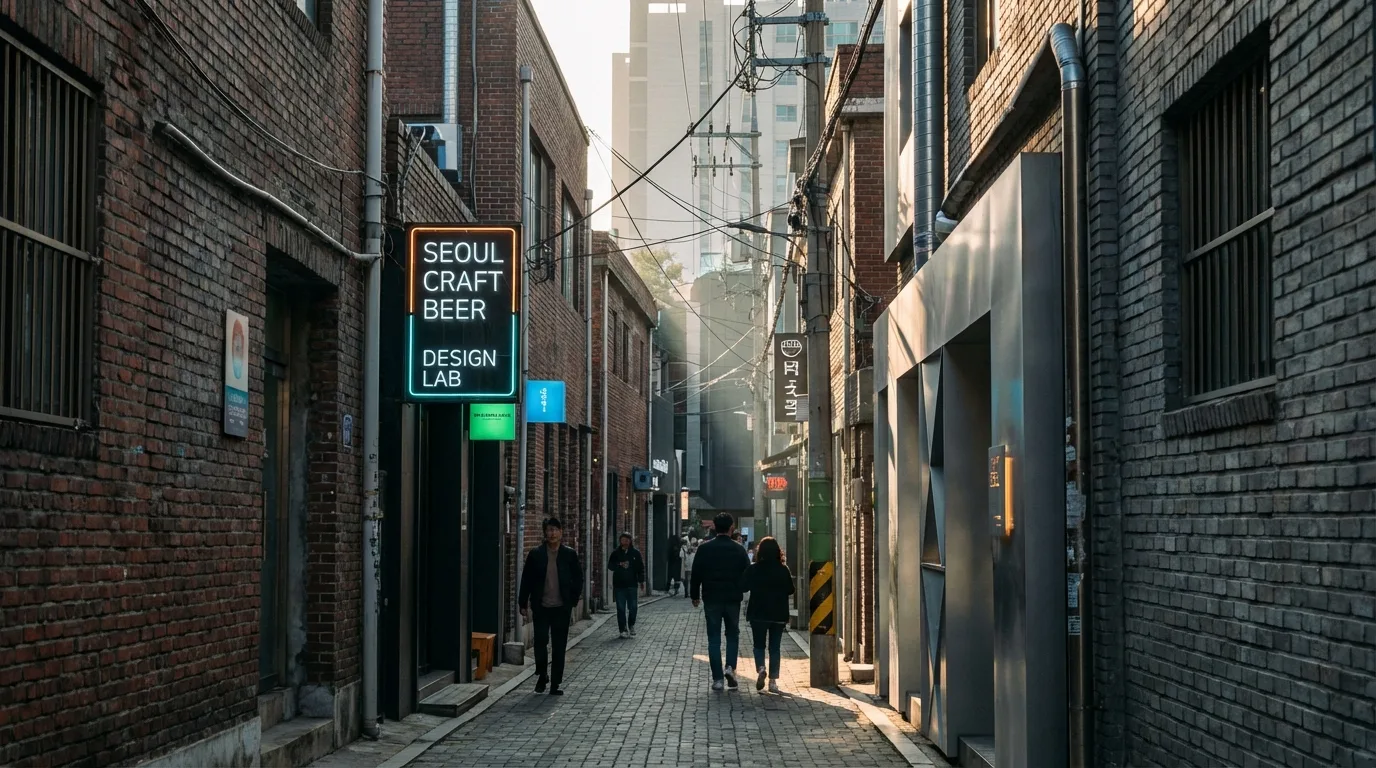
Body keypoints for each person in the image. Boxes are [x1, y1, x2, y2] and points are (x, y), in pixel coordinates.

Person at [518, 517, 583, 695]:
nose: (552, 533)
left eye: (555, 529)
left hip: (562, 607)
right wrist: (522, 602)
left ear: (561, 532)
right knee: (540, 642)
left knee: (559, 645)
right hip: (541, 606)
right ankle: (542, 674)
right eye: (549, 530)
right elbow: (527, 579)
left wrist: (573, 599)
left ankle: (555, 683)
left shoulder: (569, 554)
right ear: (545, 533)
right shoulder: (536, 554)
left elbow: (578, 578)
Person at [690, 512, 751, 691]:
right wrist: (742, 589)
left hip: (712, 597)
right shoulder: (739, 549)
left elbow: (696, 574)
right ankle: (730, 668)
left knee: (714, 638)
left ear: (714, 527)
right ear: (731, 528)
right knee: (732, 635)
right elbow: (747, 574)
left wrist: (695, 595)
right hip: (732, 598)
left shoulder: (704, 548)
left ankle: (717, 679)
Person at [742, 537, 794, 693]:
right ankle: (773, 682)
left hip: (758, 613)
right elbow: (791, 590)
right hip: (778, 614)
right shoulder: (783, 569)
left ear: (760, 552)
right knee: (775, 647)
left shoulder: (754, 569)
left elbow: (744, 587)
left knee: (759, 645)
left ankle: (761, 668)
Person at [607, 532, 645, 637]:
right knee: (621, 608)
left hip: (632, 584)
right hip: (619, 585)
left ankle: (631, 624)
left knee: (633, 607)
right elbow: (610, 566)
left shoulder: (635, 553)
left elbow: (640, 568)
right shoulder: (616, 553)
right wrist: (619, 564)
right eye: (624, 539)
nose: (626, 541)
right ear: (620, 541)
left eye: (628, 539)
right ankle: (622, 628)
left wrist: (641, 581)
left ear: (630, 541)